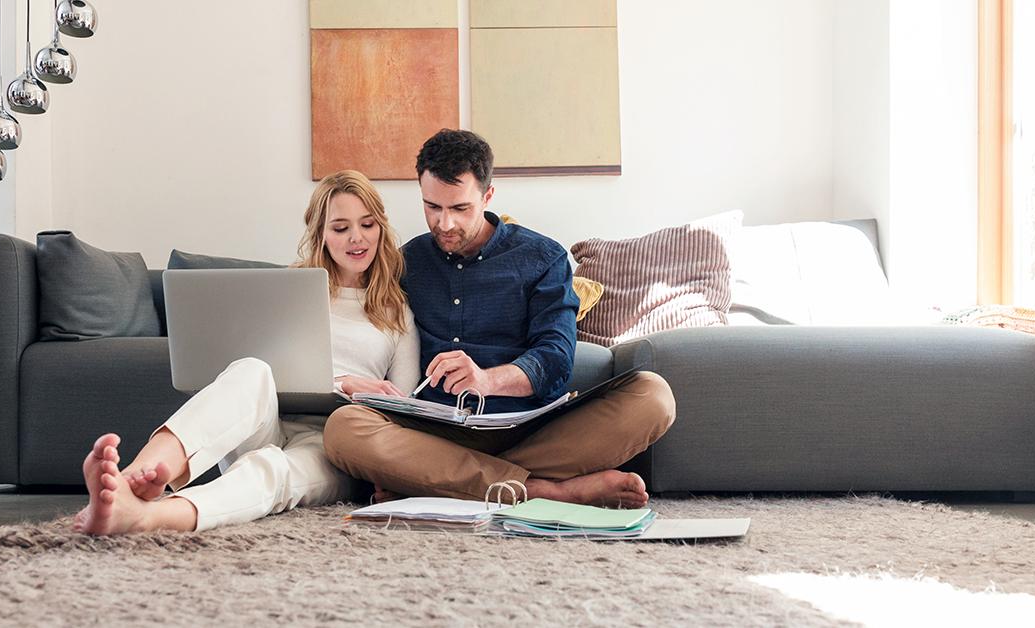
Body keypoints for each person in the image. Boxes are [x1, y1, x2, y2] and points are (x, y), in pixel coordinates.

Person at [323, 130, 676, 509]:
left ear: (488, 195)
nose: (444, 224)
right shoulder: (407, 262)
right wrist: (341, 381)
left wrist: (487, 379)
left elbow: (555, 358)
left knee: (654, 396)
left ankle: (433, 483)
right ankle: (549, 491)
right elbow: (360, 318)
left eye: (460, 209)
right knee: (343, 429)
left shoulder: (542, 257)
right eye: (432, 207)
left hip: (529, 430)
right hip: (435, 435)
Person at [73, 170, 420, 535]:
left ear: (381, 227)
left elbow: (405, 407)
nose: (357, 238)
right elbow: (260, 374)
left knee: (271, 470)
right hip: (264, 420)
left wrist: (382, 449)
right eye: (340, 228)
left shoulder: (397, 311)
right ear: (320, 233)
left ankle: (147, 517)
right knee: (251, 369)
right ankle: (136, 478)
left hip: (335, 444)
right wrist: (341, 380)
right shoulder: (289, 290)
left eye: (367, 224)